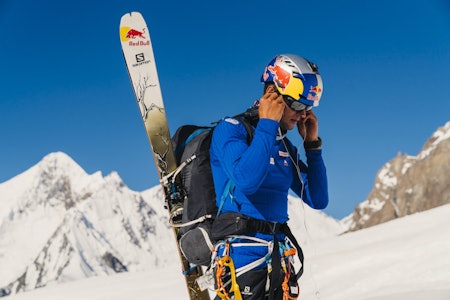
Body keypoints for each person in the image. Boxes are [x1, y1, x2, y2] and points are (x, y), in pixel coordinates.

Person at [209, 54, 329, 300]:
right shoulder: (231, 130)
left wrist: (312, 146)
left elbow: (317, 198)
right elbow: (247, 179)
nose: (302, 114)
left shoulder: (284, 145)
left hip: (279, 259)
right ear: (273, 95)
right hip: (242, 261)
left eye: (307, 107)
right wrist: (267, 124)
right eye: (296, 105)